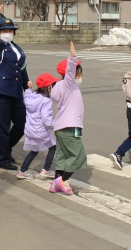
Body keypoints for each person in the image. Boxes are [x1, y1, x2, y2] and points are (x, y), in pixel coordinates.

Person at [0, 0, 30, 170]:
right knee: (2, 129)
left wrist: (27, 85)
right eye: (5, 30)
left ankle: (6, 149)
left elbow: (22, 69)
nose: (8, 32)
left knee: (22, 124)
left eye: (11, 30)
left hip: (16, 93)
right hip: (0, 93)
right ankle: (2, 159)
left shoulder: (16, 48)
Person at [50, 42, 86, 195]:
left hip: (61, 127)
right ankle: (62, 180)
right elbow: (70, 71)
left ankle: (56, 183)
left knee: (62, 156)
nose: (80, 75)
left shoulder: (60, 86)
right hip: (70, 127)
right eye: (79, 72)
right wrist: (72, 57)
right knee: (79, 156)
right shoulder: (68, 84)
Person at [16, 73, 58, 180]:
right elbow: (46, 118)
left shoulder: (31, 97)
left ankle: (23, 170)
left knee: (34, 151)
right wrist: (55, 125)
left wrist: (28, 89)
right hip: (41, 131)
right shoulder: (46, 101)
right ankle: (45, 170)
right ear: (49, 88)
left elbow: (26, 96)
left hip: (31, 130)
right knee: (53, 148)